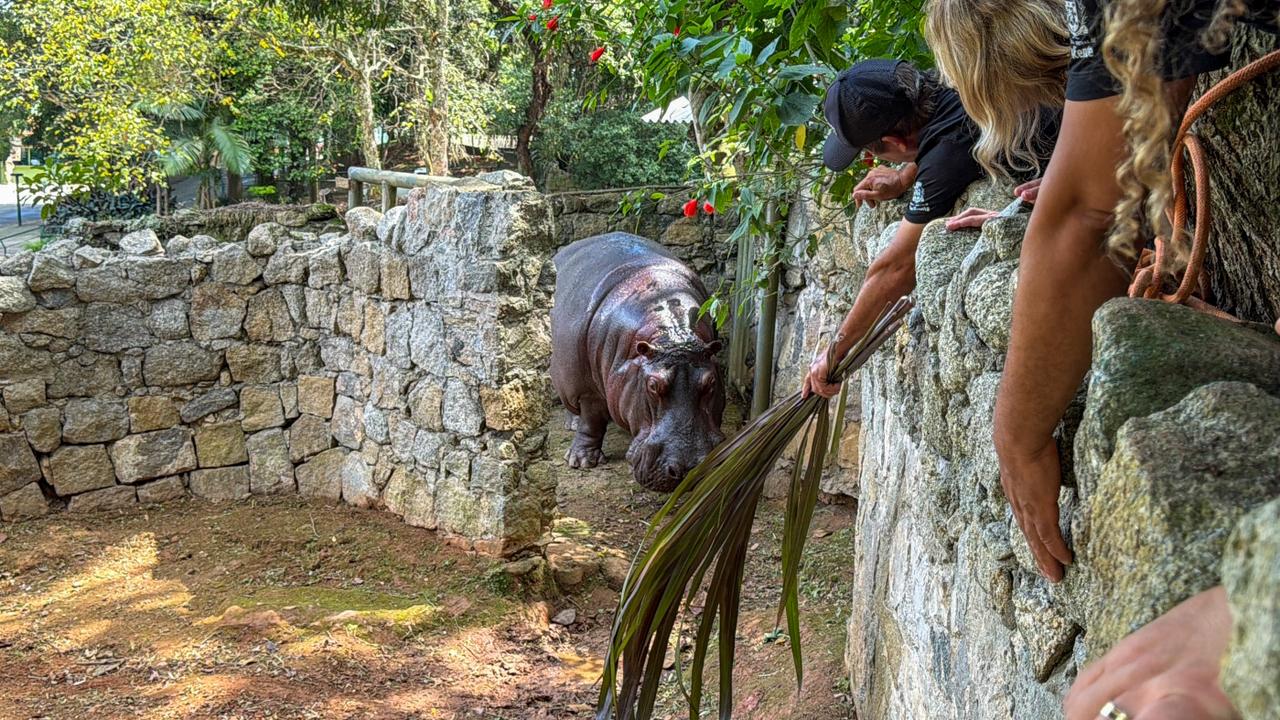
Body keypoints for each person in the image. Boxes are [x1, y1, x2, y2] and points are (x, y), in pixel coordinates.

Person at [801, 59, 1055, 399]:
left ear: (896, 141)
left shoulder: (947, 154)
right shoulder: (953, 75)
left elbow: (896, 267)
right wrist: (904, 176)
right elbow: (936, 140)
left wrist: (834, 353)